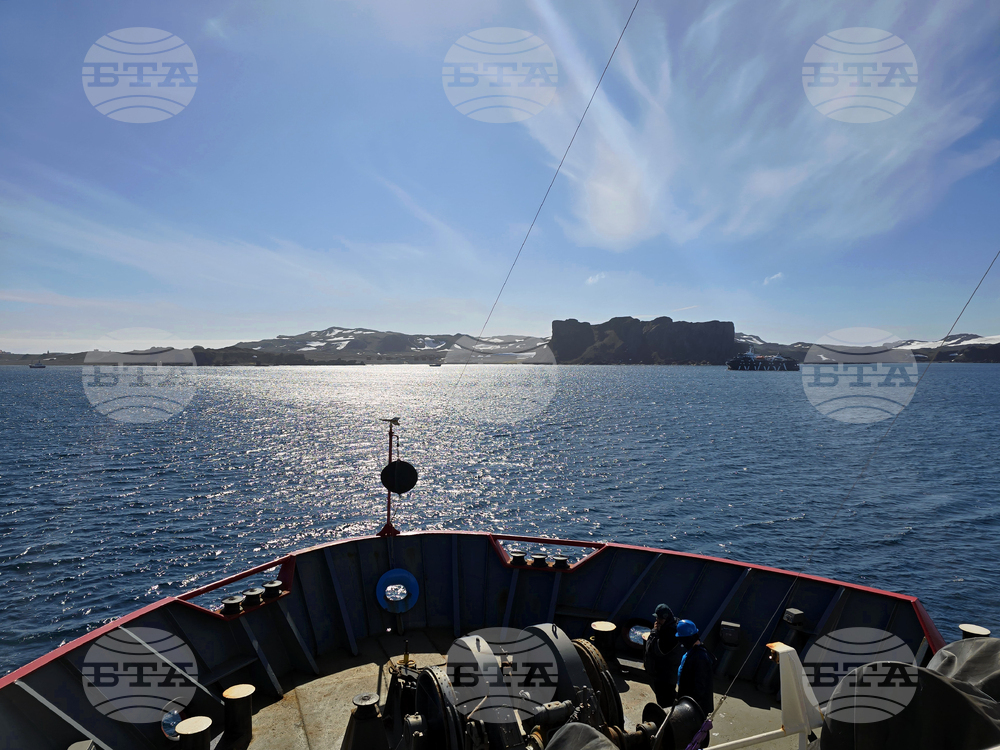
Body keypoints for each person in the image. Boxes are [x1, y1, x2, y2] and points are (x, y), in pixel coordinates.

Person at [675, 618, 715, 746]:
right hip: (688, 700)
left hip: (696, 706)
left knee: (694, 734)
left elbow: (700, 687)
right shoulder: (693, 652)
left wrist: (691, 709)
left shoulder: (700, 657)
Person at [643, 603, 680, 706]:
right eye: (657, 618)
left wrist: (654, 632)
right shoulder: (667, 626)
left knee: (665, 701)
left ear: (666, 618)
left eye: (659, 619)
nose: (657, 621)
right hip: (661, 672)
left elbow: (655, 649)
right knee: (666, 696)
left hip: (665, 675)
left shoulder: (672, 633)